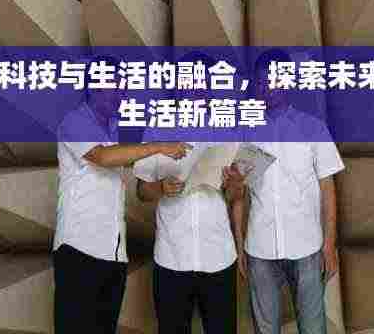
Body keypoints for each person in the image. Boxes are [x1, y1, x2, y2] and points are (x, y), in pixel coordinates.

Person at [53, 56, 190, 334]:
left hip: (113, 254)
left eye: (122, 86)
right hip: (79, 250)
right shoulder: (74, 121)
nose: (120, 92)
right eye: (114, 85)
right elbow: (102, 157)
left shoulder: (113, 128)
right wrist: (158, 147)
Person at [231, 49, 344, 334]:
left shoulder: (313, 128)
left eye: (273, 80)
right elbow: (238, 194)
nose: (266, 88)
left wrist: (329, 244)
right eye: (261, 82)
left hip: (307, 247)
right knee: (265, 329)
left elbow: (328, 190)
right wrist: (239, 245)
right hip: (259, 248)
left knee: (313, 327)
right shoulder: (247, 131)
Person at [134, 142, 245, 334]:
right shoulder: (156, 132)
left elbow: (233, 196)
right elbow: (141, 191)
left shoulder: (227, 135)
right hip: (171, 258)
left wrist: (235, 185)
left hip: (219, 257)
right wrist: (161, 187)